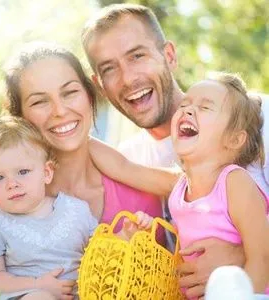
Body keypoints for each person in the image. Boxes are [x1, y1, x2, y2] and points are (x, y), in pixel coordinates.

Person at [81, 3, 269, 297]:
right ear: (100, 86)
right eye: (109, 68)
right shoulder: (134, 162)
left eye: (137, 56)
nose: (129, 78)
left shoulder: (256, 116)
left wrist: (238, 254)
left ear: (169, 55)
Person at [0, 43, 168, 299]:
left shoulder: (138, 199)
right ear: (18, 117)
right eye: (40, 101)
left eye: (70, 92)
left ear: (89, 95)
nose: (60, 111)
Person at [0, 115, 153, 300]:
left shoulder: (75, 210)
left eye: (23, 172)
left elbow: (102, 252)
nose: (12, 184)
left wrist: (126, 235)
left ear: (46, 173)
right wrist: (37, 284)